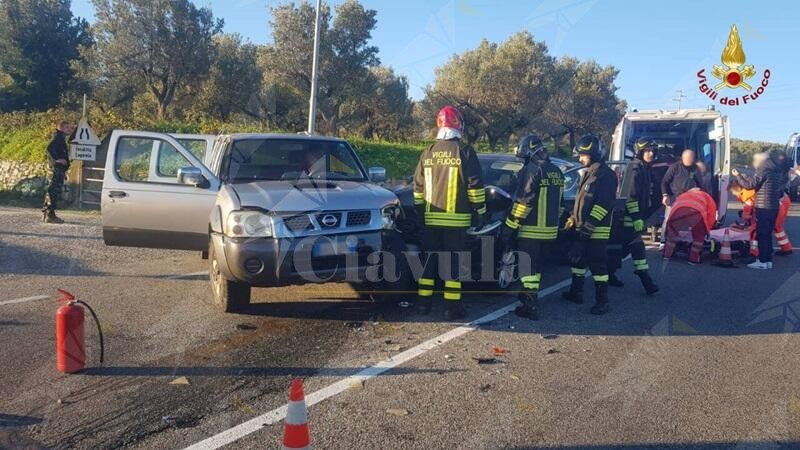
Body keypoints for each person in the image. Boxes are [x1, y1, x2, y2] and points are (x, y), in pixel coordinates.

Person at [413, 106, 487, 320]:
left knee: (428, 262)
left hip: (430, 220)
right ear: (459, 126)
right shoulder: (465, 152)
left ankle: (423, 305)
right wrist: (480, 212)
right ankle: (451, 308)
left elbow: (417, 188)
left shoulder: (428, 152)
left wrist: (421, 215)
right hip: (457, 222)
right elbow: (475, 187)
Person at [497, 134, 564, 320]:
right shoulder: (556, 171)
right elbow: (560, 205)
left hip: (531, 231)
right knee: (536, 268)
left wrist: (510, 226)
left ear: (529, 152)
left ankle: (530, 305)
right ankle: (529, 297)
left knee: (527, 270)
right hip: (550, 231)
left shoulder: (532, 170)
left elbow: (523, 203)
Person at [561, 134, 617, 315]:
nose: (579, 158)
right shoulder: (589, 173)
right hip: (581, 227)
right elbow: (581, 201)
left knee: (598, 266)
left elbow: (603, 205)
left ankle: (603, 301)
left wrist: (589, 226)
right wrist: (572, 218)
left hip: (596, 230)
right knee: (577, 262)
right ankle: (575, 292)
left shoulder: (606, 176)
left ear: (592, 154)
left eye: (582, 155)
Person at [607, 137, 659, 295]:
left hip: (635, 219)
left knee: (621, 251)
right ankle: (646, 280)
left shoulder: (645, 169)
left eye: (652, 151)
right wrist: (636, 218)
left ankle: (611, 275)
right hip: (626, 219)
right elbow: (630, 197)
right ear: (640, 152)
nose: (650, 154)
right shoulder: (634, 167)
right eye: (647, 151)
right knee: (635, 249)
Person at [732, 151, 790, 269]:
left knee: (762, 234)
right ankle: (768, 260)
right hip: (774, 206)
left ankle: (763, 261)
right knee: (767, 234)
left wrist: (738, 176)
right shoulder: (776, 171)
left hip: (763, 206)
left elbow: (750, 185)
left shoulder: (764, 169)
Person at [659, 149, 702, 247]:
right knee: (668, 220)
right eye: (687, 159)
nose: (689, 161)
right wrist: (665, 195)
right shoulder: (675, 167)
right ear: (682, 158)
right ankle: (663, 241)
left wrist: (699, 192)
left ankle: (684, 241)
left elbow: (700, 183)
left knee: (688, 221)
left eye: (691, 159)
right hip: (674, 198)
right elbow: (665, 181)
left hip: (689, 199)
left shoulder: (694, 169)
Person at [662, 188, 716, 265]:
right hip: (695, 212)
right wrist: (707, 229)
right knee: (698, 236)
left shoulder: (684, 195)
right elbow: (711, 214)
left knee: (672, 233)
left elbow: (674, 208)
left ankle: (667, 254)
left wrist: (670, 225)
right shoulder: (706, 196)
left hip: (677, 211)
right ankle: (693, 259)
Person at [42, 120, 73, 224]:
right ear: (62, 128)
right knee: (53, 191)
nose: (70, 130)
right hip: (56, 169)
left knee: (52, 190)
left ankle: (47, 214)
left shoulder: (60, 138)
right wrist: (57, 160)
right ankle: (50, 215)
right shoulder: (58, 138)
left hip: (58, 169)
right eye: (67, 128)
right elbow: (49, 148)